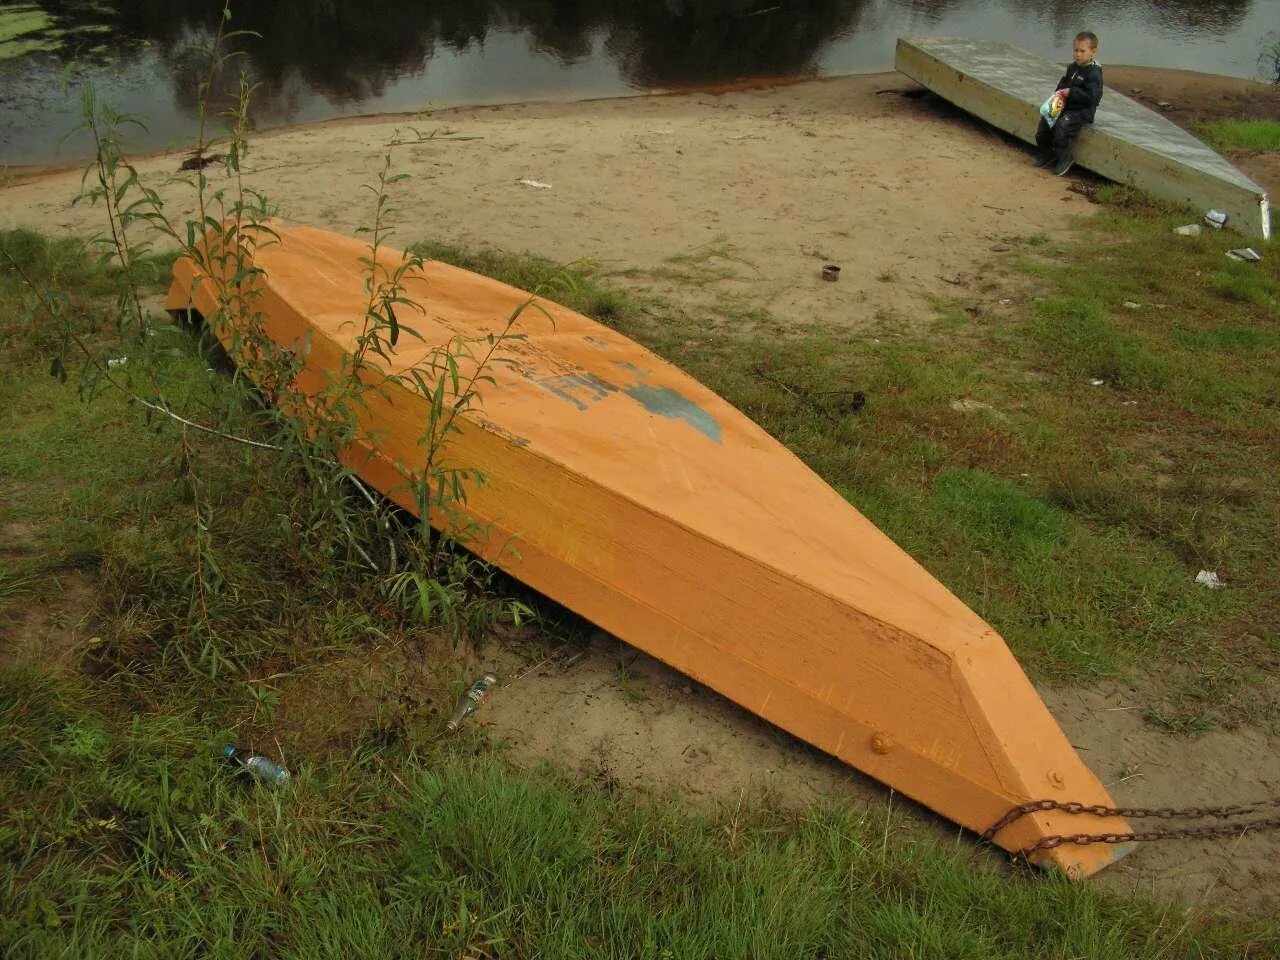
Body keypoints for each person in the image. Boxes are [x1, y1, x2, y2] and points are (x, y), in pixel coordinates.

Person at [1035, 32, 1103, 176]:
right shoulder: (1072, 67)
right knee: (1045, 120)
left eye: (1082, 51)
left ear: (1093, 52)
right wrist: (1057, 95)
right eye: (1075, 50)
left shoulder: (1094, 73)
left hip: (1082, 111)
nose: (1078, 54)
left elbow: (1093, 98)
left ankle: (1064, 156)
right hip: (1065, 105)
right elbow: (1063, 83)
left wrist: (1071, 93)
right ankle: (1047, 153)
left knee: (1062, 126)